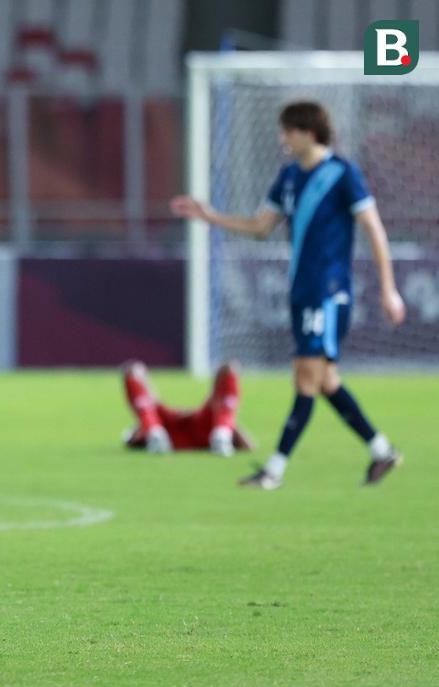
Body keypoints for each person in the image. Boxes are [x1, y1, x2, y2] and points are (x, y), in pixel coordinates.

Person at [171, 101, 405, 489]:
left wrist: (389, 288)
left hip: (328, 292)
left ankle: (274, 470)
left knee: (305, 378)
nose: (282, 139)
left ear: (308, 133)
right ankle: (381, 451)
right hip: (301, 290)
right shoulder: (290, 176)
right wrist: (209, 216)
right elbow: (261, 226)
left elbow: (374, 230)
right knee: (325, 380)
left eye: (288, 132)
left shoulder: (342, 174)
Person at [121, 360, 252, 456]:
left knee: (133, 371)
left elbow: (131, 440)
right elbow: (248, 446)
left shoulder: (151, 418)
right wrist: (229, 424)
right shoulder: (213, 416)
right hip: (206, 431)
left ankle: (153, 430)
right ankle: (223, 433)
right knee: (229, 369)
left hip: (166, 429)